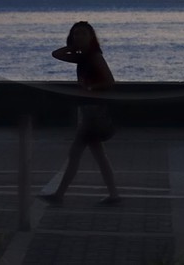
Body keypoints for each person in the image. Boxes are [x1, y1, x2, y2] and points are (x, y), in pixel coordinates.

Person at [37, 21, 121, 206]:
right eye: (76, 34)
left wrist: (90, 87)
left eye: (83, 33)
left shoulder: (94, 56)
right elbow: (56, 54)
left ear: (91, 37)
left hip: (94, 112)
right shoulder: (83, 56)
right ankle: (114, 195)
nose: (79, 36)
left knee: (75, 153)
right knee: (98, 155)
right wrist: (73, 47)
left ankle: (59, 195)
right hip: (87, 110)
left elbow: (109, 80)